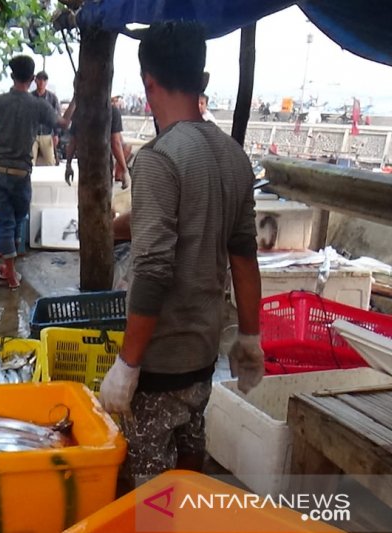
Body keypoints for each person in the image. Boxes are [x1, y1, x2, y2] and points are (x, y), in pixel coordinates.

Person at [98, 21, 264, 488]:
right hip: (203, 357)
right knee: (190, 466)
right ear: (202, 81)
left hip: (160, 362)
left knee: (149, 490)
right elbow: (243, 256)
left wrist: (127, 366)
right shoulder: (234, 158)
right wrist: (250, 338)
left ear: (148, 84)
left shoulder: (157, 159)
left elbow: (152, 270)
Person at [0, 56, 72, 289]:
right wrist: (77, 96)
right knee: (17, 221)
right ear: (31, 79)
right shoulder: (38, 105)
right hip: (22, 174)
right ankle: (10, 270)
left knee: (6, 224)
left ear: (11, 76)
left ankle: (9, 274)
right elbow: (64, 124)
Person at [64, 100, 129, 188]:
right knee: (103, 198)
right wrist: (124, 170)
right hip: (103, 164)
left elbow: (73, 142)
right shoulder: (112, 111)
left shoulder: (80, 111)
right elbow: (115, 143)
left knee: (86, 197)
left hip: (85, 164)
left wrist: (68, 164)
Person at [30, 70, 61, 166]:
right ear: (35, 81)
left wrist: (56, 134)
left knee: (50, 162)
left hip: (47, 134)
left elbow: (57, 117)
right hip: (32, 134)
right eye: (39, 80)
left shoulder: (52, 98)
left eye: (44, 80)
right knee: (30, 161)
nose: (41, 83)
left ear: (46, 82)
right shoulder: (30, 97)